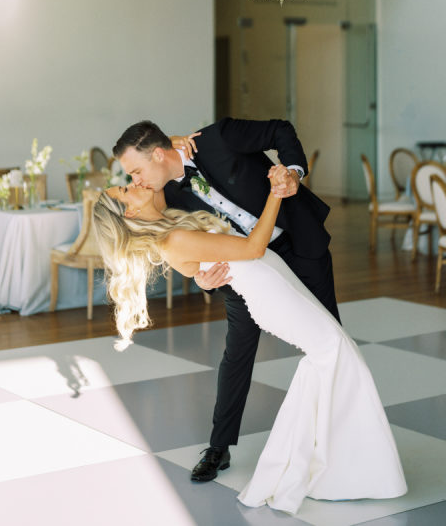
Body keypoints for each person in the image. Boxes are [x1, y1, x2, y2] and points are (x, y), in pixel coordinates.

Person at [93, 179, 407, 515]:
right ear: (128, 210)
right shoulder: (172, 238)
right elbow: (253, 248)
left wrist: (200, 275)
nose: (133, 183)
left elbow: (199, 264)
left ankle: (334, 462)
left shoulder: (171, 223)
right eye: (125, 190)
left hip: (275, 281)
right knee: (335, 353)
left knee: (331, 357)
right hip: (271, 294)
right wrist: (274, 193)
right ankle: (344, 469)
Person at [112, 118, 340, 483]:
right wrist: (203, 279)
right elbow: (189, 251)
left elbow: (280, 129)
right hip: (244, 272)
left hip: (298, 241)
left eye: (136, 171)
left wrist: (293, 172)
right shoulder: (163, 197)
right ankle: (219, 447)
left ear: (158, 154)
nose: (135, 181)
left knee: (331, 339)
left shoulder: (216, 139)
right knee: (237, 352)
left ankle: (334, 437)